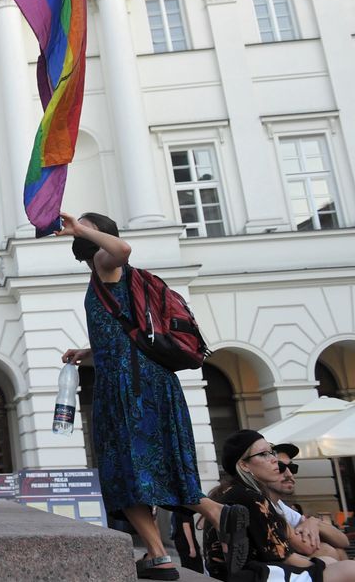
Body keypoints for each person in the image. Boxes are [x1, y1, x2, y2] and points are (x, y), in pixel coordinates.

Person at [56, 212, 251, 581]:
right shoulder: (103, 278)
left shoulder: (105, 263)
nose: (75, 232)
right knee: (145, 466)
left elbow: (124, 248)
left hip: (131, 387)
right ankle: (170, 545)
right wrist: (87, 353)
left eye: (85, 227)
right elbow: (124, 334)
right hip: (143, 381)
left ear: (100, 236)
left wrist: (82, 230)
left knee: (124, 468)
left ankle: (191, 528)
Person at [214, 430, 355, 580]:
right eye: (263, 454)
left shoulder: (240, 493)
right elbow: (284, 556)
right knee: (347, 568)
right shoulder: (249, 497)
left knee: (334, 559)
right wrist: (324, 565)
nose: (274, 460)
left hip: (254, 571)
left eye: (271, 452)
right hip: (254, 575)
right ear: (244, 465)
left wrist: (313, 523)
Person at [270, 443, 351, 561]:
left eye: (292, 468)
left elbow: (344, 541)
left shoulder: (280, 505)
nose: (289, 474)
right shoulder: (262, 503)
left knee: (337, 551)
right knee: (327, 552)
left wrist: (314, 522)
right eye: (280, 468)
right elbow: (307, 547)